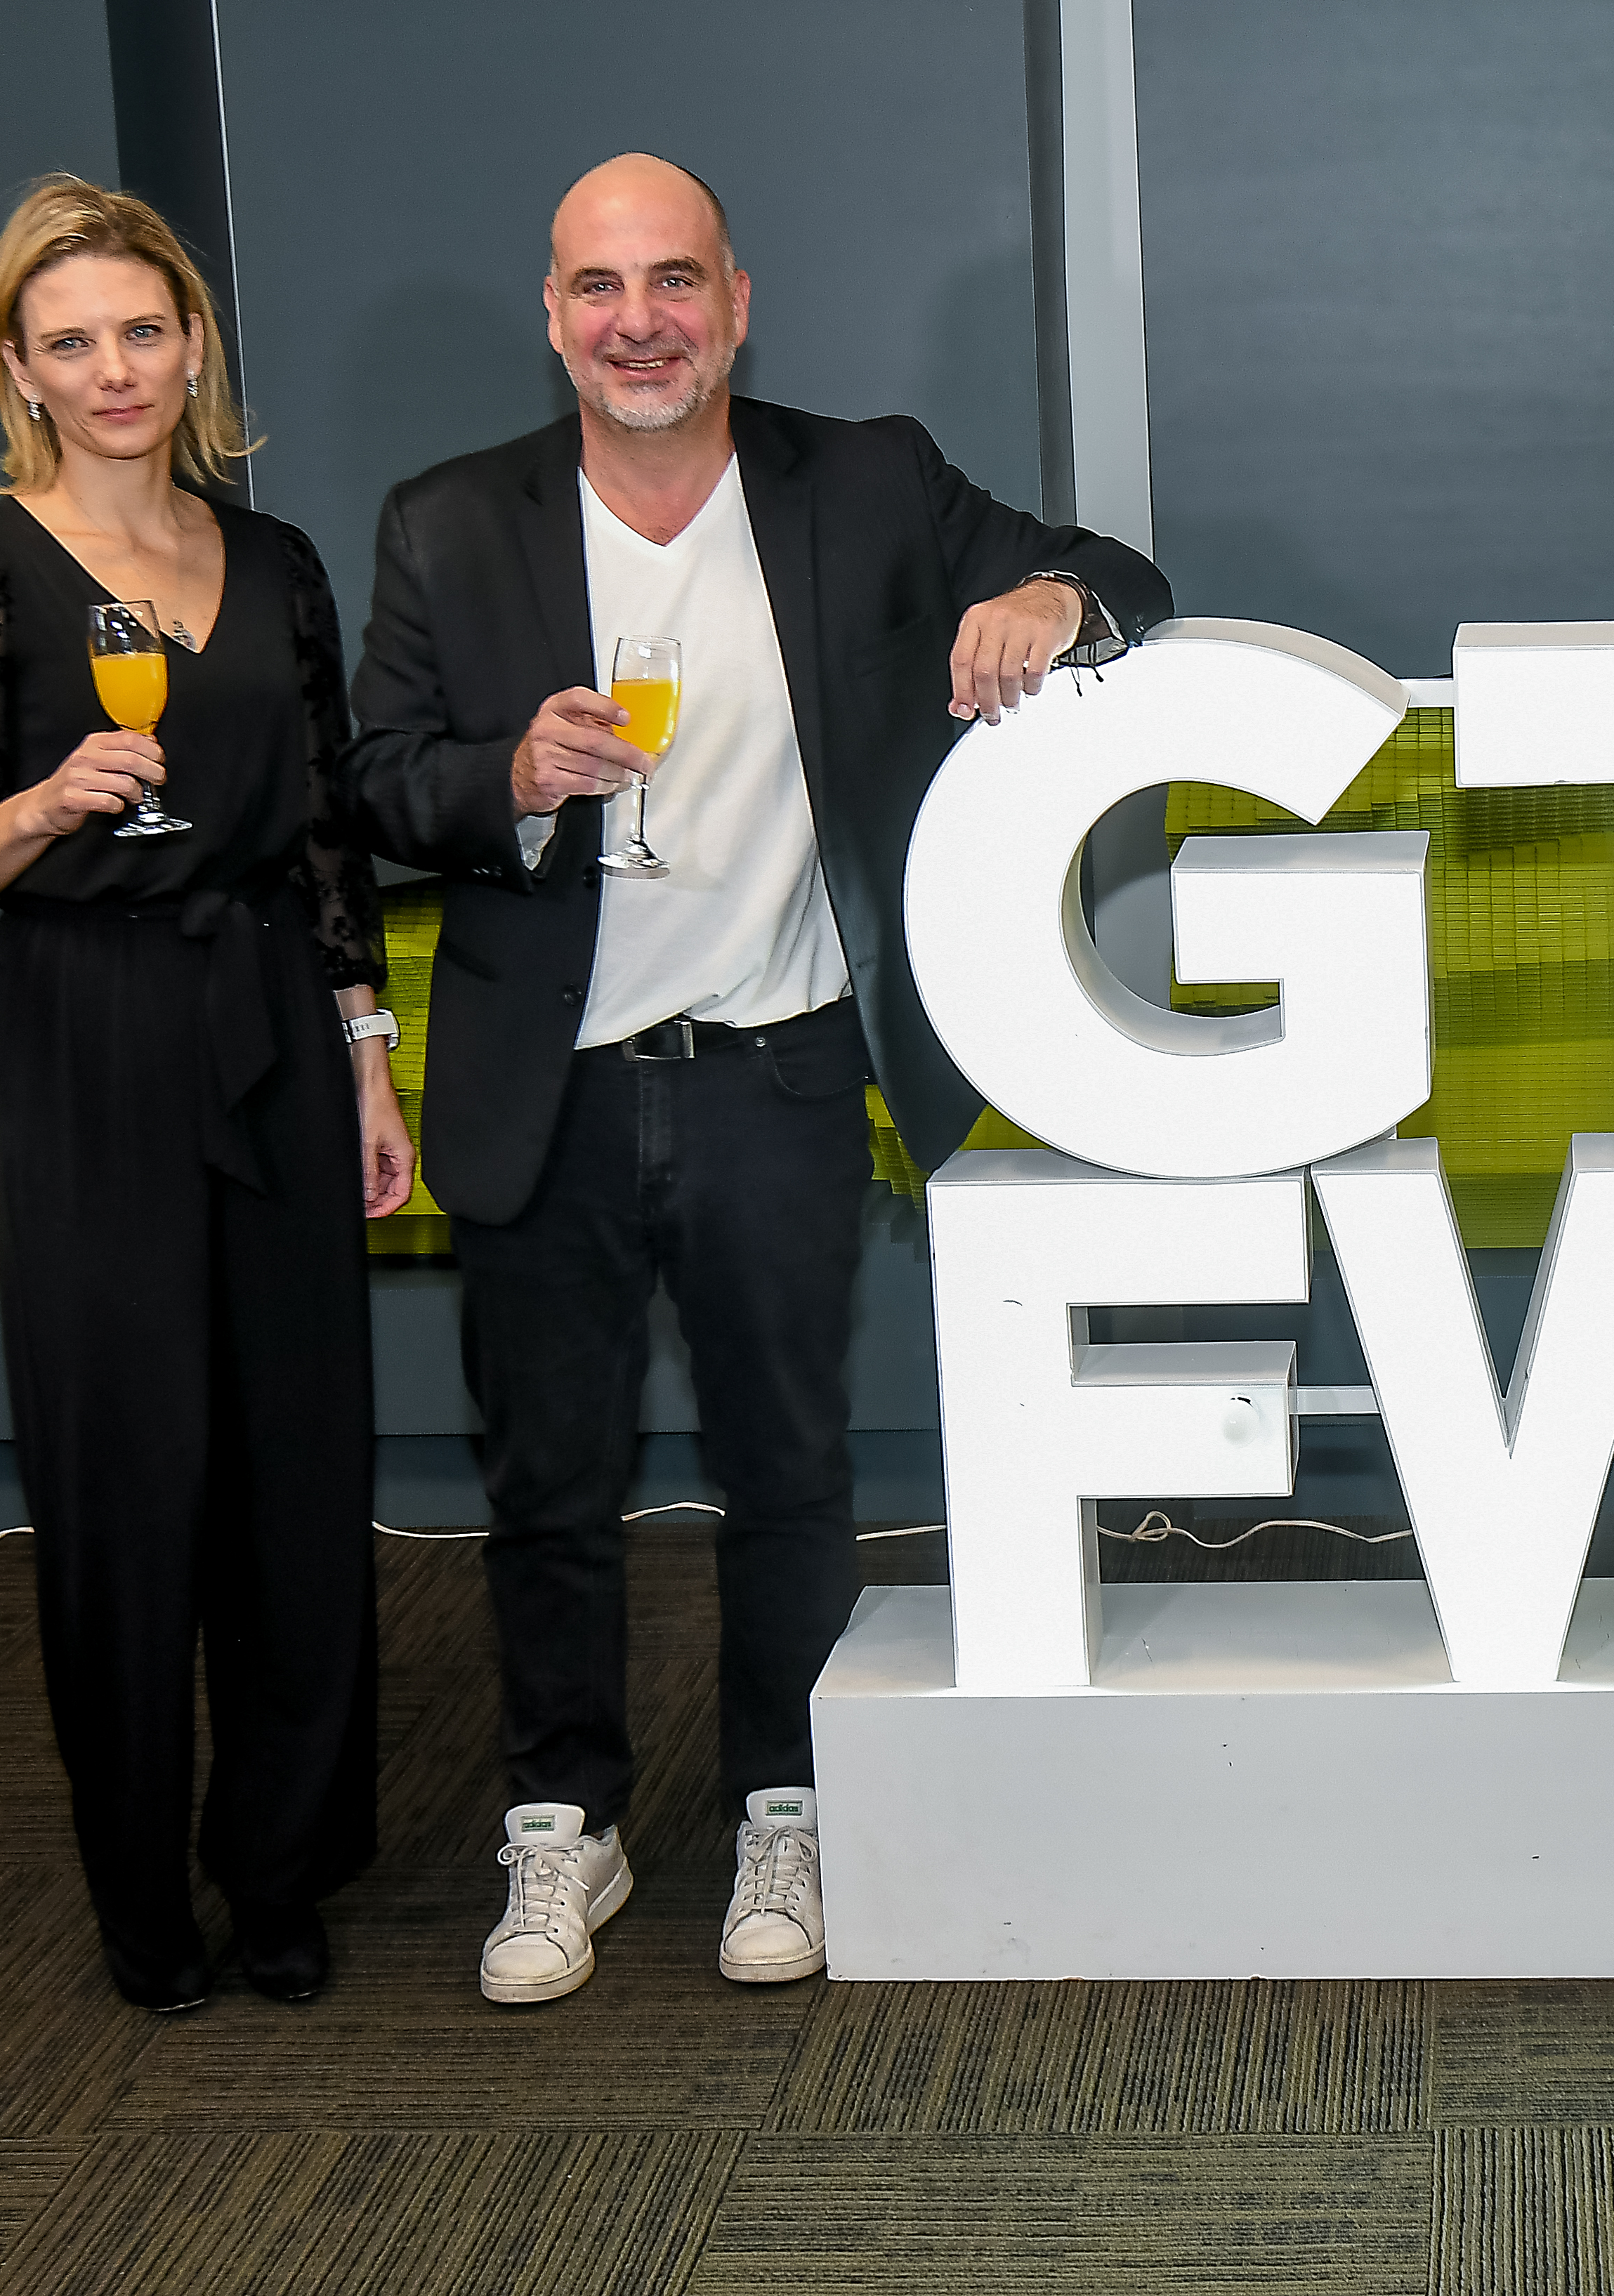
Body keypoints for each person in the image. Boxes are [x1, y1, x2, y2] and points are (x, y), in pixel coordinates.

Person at [342, 154, 1169, 2005]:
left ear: (735, 301)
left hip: (776, 1070)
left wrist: (1050, 607)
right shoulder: (450, 521)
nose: (640, 321)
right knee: (548, 1483)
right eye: (600, 289)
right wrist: (506, 778)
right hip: (541, 1081)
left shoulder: (862, 477)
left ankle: (786, 1803)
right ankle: (566, 1822)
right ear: (551, 313)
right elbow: (378, 779)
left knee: (786, 1471)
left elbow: (1130, 575)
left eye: (675, 283)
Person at [0, 176, 412, 2012]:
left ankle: (278, 1860)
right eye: (72, 341)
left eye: (144, 330)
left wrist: (366, 1049)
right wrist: (39, 806)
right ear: (19, 369)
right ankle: (139, 1894)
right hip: (90, 1025)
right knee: (128, 1478)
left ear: (192, 344)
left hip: (272, 1012)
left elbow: (332, 826)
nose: (115, 369)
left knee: (294, 1459)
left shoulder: (275, 563)